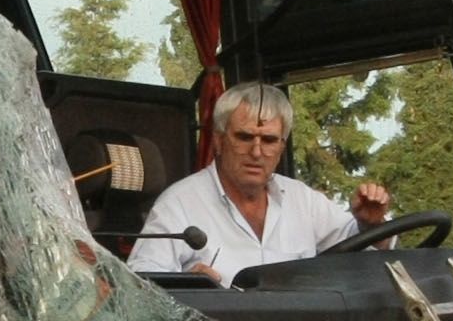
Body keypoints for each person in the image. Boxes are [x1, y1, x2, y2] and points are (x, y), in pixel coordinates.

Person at [127, 80, 393, 281]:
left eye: (268, 140)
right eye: (244, 137)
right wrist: (188, 288)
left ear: (281, 147)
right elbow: (142, 284)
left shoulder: (304, 201)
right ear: (218, 142)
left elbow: (366, 256)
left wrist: (371, 225)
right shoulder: (179, 203)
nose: (256, 152)